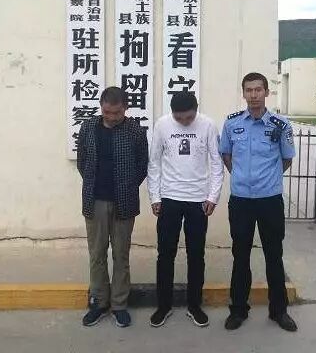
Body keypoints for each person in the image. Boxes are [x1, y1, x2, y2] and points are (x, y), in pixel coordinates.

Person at [219, 72, 298, 332]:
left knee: (274, 255)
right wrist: (241, 177)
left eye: (258, 90)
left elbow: (287, 158)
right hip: (241, 200)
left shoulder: (280, 124)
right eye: (249, 90)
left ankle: (279, 311)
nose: (253, 95)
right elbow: (226, 155)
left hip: (269, 200)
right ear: (243, 93)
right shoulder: (231, 123)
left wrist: (268, 179)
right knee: (240, 256)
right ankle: (238, 310)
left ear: (266, 92)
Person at [147, 92, 224, 328]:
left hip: (198, 201)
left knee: (196, 254)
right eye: (178, 118)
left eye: (189, 118)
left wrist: (213, 196)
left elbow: (216, 162)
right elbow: (154, 162)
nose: (183, 122)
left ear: (196, 109)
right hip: (169, 199)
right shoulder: (162, 125)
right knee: (165, 254)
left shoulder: (208, 125)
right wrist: (155, 196)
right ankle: (164, 305)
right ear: (172, 113)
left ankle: (194, 305)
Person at [76, 87, 148, 328]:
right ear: (101, 107)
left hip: (124, 202)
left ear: (125, 108)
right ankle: (98, 302)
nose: (111, 117)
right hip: (94, 201)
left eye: (116, 113)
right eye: (107, 112)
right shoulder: (88, 127)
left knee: (121, 255)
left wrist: (127, 186)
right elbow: (82, 161)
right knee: (96, 254)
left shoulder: (135, 131)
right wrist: (93, 184)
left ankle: (119, 305)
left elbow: (142, 165)